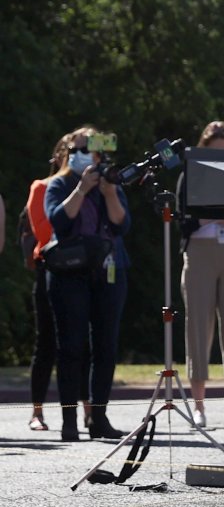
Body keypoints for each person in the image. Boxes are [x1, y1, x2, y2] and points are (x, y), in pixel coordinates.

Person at [43, 126, 130, 441]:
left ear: (100, 153)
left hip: (109, 269)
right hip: (70, 273)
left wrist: (107, 192)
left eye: (89, 149)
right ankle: (69, 421)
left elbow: (122, 225)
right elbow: (58, 221)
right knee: (71, 346)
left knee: (105, 346)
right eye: (78, 149)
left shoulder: (111, 183)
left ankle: (99, 418)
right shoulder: (59, 183)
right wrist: (81, 189)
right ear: (68, 153)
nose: (84, 155)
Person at [23, 134, 92, 432]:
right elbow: (44, 230)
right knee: (48, 344)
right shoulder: (43, 187)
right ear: (63, 154)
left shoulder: (95, 188)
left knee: (84, 344)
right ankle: (37, 411)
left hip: (85, 269)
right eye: (78, 151)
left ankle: (91, 409)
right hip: (51, 268)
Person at [178, 121, 224, 430]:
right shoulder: (189, 175)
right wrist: (207, 216)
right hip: (200, 254)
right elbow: (182, 220)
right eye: (214, 152)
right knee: (198, 330)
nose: (220, 158)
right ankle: (199, 407)